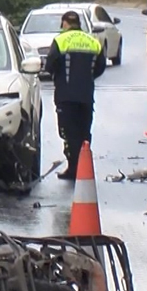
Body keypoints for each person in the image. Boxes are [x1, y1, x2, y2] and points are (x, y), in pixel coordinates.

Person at [44, 10, 106, 179]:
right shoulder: (93, 41)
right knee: (84, 131)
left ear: (64, 23)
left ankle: (73, 168)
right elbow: (100, 66)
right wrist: (87, 77)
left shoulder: (60, 40)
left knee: (68, 133)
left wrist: (59, 76)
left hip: (66, 96)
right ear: (79, 24)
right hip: (86, 95)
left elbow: (50, 65)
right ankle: (84, 166)